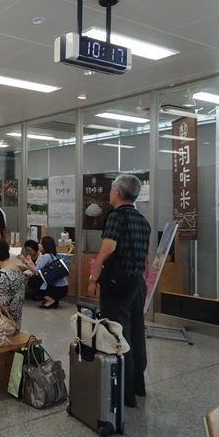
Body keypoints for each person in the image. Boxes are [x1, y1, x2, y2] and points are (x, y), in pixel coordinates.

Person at [91, 173, 150, 408]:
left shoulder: (116, 217)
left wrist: (94, 277)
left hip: (117, 285)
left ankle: (124, 393)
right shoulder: (142, 220)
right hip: (137, 282)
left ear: (116, 193)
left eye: (111, 190)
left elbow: (108, 248)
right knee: (136, 332)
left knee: (117, 334)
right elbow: (145, 255)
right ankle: (138, 385)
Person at [33, 237, 69, 308]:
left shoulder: (46, 256)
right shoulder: (51, 255)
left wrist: (25, 261)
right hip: (63, 288)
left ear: (45, 245)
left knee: (33, 281)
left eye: (40, 243)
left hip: (57, 289)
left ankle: (51, 300)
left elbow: (36, 270)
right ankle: (53, 300)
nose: (39, 245)